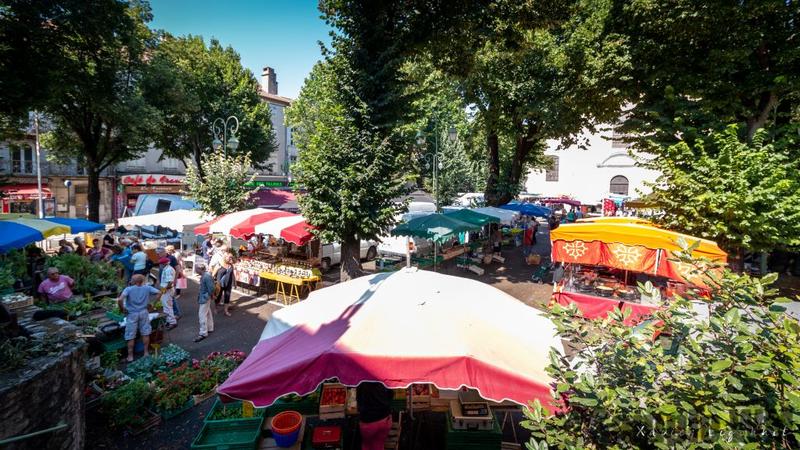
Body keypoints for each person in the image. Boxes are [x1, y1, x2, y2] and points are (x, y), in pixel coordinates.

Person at [117, 274, 160, 362]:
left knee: (130, 335)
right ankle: (146, 352)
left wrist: (122, 309)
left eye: (132, 279)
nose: (130, 280)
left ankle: (130, 356)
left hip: (132, 314)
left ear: (135, 281)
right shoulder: (147, 287)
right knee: (145, 333)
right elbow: (159, 292)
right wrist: (153, 304)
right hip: (144, 312)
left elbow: (120, 299)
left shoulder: (128, 289)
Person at [356, 382, 393, 450]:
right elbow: (390, 395)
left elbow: (359, 399)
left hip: (369, 421)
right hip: (385, 418)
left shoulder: (362, 382)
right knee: (379, 445)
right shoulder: (383, 379)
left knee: (367, 446)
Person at [194, 264, 215, 342]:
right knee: (207, 313)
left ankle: (203, 333)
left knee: (202, 315)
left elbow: (212, 288)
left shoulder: (206, 276)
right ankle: (210, 327)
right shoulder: (206, 275)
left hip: (204, 298)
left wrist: (207, 296)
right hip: (205, 297)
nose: (195, 270)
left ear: (200, 269)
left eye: (196, 268)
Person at [158, 257, 178, 329]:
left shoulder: (168, 270)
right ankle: (169, 320)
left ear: (164, 263)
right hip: (167, 290)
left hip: (167, 291)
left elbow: (170, 282)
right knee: (166, 306)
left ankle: (172, 322)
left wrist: (163, 290)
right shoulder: (167, 268)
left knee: (167, 307)